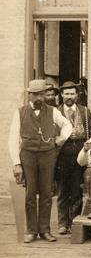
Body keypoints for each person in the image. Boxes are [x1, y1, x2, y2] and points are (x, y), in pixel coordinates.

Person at [9, 79, 73, 243]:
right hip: (27, 156)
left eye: (41, 94)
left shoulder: (53, 111)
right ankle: (31, 230)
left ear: (45, 95)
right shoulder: (20, 112)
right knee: (30, 193)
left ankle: (45, 230)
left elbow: (67, 125)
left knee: (46, 192)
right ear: (30, 95)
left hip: (47, 155)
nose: (38, 98)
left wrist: (61, 139)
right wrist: (16, 163)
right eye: (35, 94)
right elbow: (13, 138)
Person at [56, 81, 91, 234]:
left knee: (77, 189)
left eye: (72, 93)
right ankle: (62, 223)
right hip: (62, 155)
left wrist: (88, 147)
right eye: (66, 94)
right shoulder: (56, 112)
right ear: (62, 95)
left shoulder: (85, 111)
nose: (69, 97)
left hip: (80, 154)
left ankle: (75, 221)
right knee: (62, 190)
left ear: (77, 95)